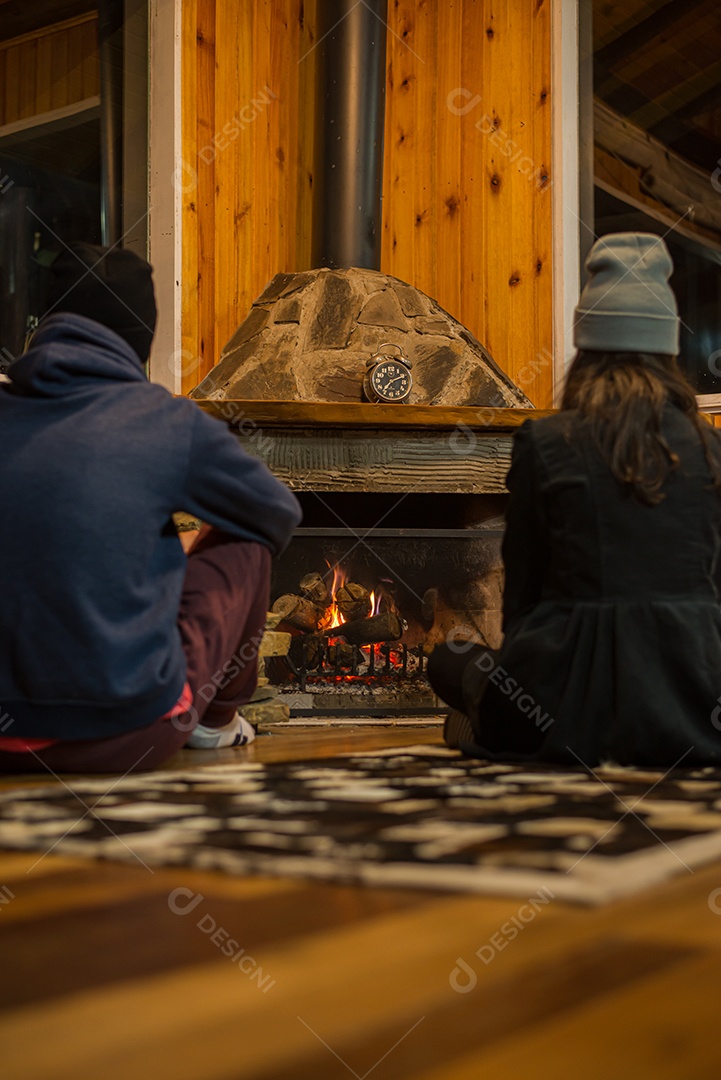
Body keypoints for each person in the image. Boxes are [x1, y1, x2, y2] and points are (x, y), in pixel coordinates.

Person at [0, 242, 301, 774]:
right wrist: (175, 534)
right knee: (246, 542)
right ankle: (216, 724)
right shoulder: (165, 422)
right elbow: (275, 511)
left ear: (44, 324)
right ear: (139, 342)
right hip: (122, 734)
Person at [429, 232, 721, 767]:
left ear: (585, 347)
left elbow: (522, 600)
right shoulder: (710, 448)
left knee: (449, 658)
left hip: (556, 705)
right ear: (668, 351)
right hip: (695, 700)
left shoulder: (545, 442)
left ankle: (488, 722)